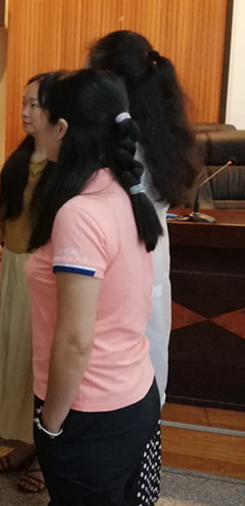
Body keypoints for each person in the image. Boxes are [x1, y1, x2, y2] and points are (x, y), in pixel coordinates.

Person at [25, 68, 163, 505]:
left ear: (62, 128)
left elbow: (76, 340)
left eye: (43, 113)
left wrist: (51, 423)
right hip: (134, 392)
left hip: (90, 411)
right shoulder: (124, 192)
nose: (34, 121)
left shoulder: (81, 213)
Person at [86, 30, 197, 406]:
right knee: (147, 361)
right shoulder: (165, 134)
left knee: (113, 369)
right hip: (151, 258)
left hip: (121, 260)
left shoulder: (116, 142)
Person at [0, 72, 58, 494]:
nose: (25, 111)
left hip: (48, 278)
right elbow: (0, 218)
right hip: (14, 273)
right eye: (23, 103)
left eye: (33, 105)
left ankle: (46, 454)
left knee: (39, 362)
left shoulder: (66, 167)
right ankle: (28, 441)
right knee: (17, 357)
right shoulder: (19, 159)